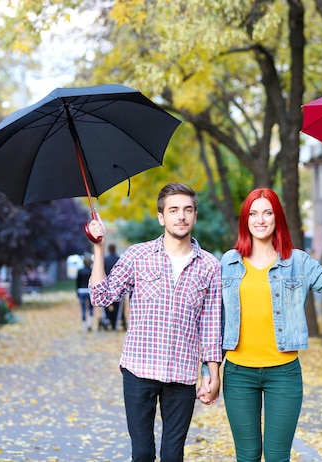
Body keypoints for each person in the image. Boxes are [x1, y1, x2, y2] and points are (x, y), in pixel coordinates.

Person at [220, 187, 322, 462]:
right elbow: (216, 318)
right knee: (246, 456)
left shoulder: (298, 262)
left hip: (283, 374)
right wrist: (208, 369)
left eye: (268, 212)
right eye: (253, 213)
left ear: (278, 218)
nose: (260, 220)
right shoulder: (229, 261)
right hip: (238, 374)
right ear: (245, 220)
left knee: (277, 457)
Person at [88, 182, 222, 462]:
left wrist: (213, 374)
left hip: (182, 374)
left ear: (195, 216)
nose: (181, 216)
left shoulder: (210, 266)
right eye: (173, 210)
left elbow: (210, 325)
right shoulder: (138, 256)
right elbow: (102, 297)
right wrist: (98, 249)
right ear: (161, 217)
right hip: (139, 370)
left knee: (173, 456)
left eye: (187, 210)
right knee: (143, 453)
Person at [103, 244, 121, 330]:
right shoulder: (119, 259)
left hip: (107, 286)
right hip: (117, 286)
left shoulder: (105, 260)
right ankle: (114, 323)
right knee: (117, 306)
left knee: (106, 304)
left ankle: (108, 318)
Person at [76, 255, 93, 331]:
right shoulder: (92, 270)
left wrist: (77, 292)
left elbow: (77, 282)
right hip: (89, 291)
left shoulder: (80, 271)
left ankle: (84, 325)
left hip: (81, 290)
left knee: (83, 308)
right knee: (90, 308)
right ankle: (90, 322)